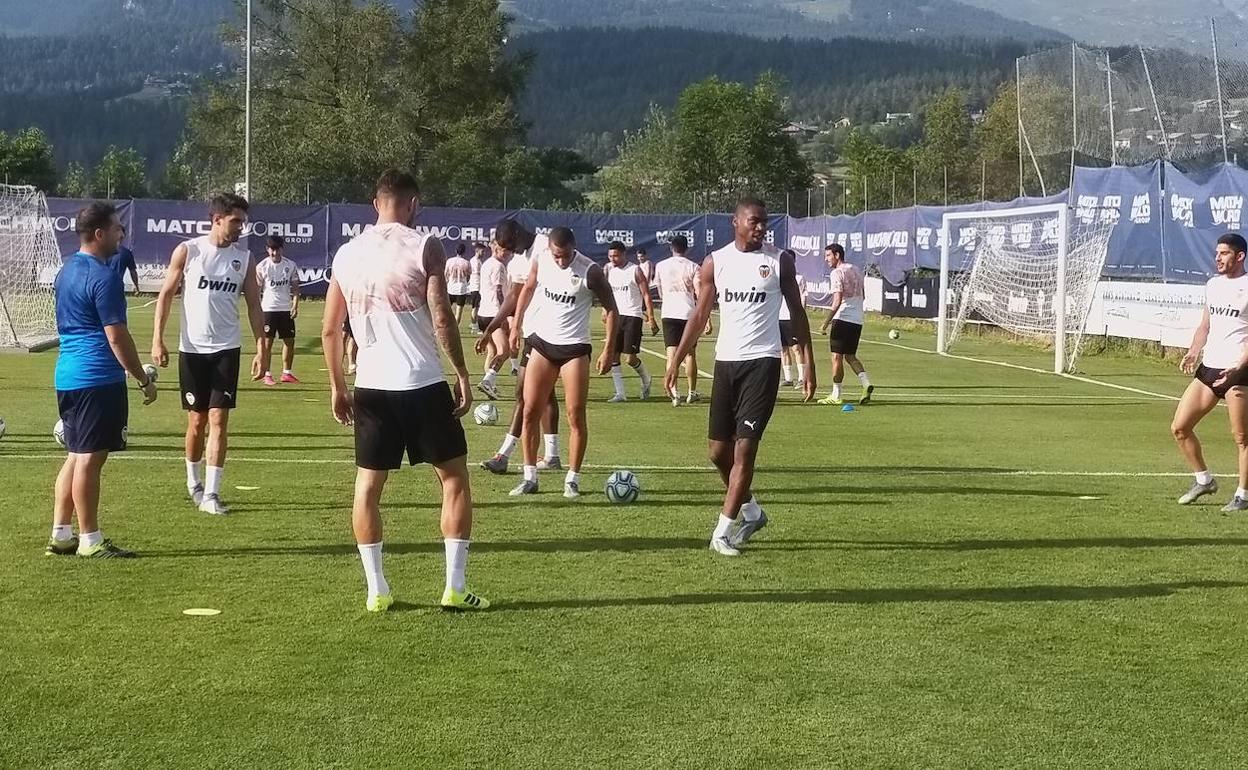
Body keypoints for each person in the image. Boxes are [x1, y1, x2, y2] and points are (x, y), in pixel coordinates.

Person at [322, 169, 487, 613]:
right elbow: (441, 315)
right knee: (453, 480)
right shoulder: (424, 245)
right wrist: (464, 374)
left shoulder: (347, 253)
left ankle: (377, 589)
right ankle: (454, 586)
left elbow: (329, 329)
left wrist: (339, 387)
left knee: (367, 489)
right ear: (414, 204)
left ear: (376, 203)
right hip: (421, 382)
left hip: (371, 388)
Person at [665, 197, 815, 556]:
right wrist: (676, 361)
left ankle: (722, 532)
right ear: (736, 222)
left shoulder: (779, 262)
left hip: (763, 364)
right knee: (719, 452)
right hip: (725, 363)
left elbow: (797, 313)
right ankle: (752, 511)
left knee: (745, 450)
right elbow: (700, 315)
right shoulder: (716, 262)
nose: (761, 227)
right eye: (754, 221)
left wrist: (809, 364)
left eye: (764, 222)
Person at [48, 202, 157, 558]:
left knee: (76, 456)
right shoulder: (103, 275)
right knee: (90, 459)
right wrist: (142, 378)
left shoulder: (66, 271)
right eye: (116, 229)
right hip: (96, 377)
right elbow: (116, 336)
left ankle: (61, 533)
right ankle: (90, 540)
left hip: (67, 375)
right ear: (99, 234)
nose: (121, 234)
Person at [152, 193, 266, 516]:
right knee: (197, 422)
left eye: (243, 223)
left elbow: (254, 305)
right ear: (217, 219)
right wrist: (158, 339)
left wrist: (261, 346)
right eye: (235, 222)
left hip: (226, 350)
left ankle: (213, 494)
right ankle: (193, 482)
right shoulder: (189, 252)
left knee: (218, 419)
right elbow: (165, 296)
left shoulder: (244, 260)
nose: (240, 229)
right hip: (192, 350)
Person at [507, 226, 618, 497]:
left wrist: (608, 350)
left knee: (575, 415)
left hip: (575, 350)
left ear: (573, 248)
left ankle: (572, 479)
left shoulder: (590, 271)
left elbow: (613, 309)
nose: (561, 261)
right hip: (543, 345)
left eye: (565, 255)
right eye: (557, 255)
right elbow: (528, 288)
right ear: (550, 251)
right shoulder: (541, 260)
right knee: (530, 410)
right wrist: (515, 326)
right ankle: (530, 477)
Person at [478, 219, 563, 475]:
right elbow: (514, 297)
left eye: (510, 245)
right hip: (533, 332)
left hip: (552, 332)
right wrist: (492, 327)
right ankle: (552, 455)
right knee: (544, 394)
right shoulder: (516, 261)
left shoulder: (546, 246)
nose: (510, 251)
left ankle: (504, 455)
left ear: (517, 233)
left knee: (523, 393)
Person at [1172, 233, 1248, 512]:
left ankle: (1243, 495)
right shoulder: (1213, 285)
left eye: (1225, 253)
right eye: (1217, 253)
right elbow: (1205, 325)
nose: (1218, 258)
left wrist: (1239, 367)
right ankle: (1204, 480)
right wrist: (1194, 350)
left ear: (1239, 256)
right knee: (1180, 428)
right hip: (1210, 367)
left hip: (1239, 371)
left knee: (1242, 437)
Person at [817, 243, 873, 405]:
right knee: (850, 356)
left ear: (837, 255)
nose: (826, 259)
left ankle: (836, 394)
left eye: (828, 255)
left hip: (843, 318)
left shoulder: (837, 273)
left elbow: (837, 301)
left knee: (836, 357)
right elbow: (863, 295)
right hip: (857, 319)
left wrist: (825, 323)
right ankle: (866, 383)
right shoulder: (856, 270)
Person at [604, 240, 658, 402]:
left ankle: (646, 379)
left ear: (623, 254)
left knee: (630, 358)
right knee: (614, 355)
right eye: (610, 256)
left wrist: (651, 317)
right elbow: (608, 293)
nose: (613, 259)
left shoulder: (635, 270)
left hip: (633, 316)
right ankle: (620, 393)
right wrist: (604, 311)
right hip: (615, 316)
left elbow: (646, 294)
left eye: (616, 256)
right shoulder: (609, 271)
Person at [656, 235, 704, 406]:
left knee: (671, 354)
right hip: (688, 313)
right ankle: (692, 392)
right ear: (687, 248)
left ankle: (675, 393)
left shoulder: (661, 266)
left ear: (671, 248)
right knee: (690, 354)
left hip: (669, 311)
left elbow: (660, 290)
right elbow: (698, 292)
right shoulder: (694, 267)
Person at [255, 235, 301, 386]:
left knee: (289, 341)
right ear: (267, 250)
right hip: (268, 309)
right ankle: (267, 374)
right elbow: (256, 290)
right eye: (272, 250)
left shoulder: (291, 265)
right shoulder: (262, 266)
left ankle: (286, 373)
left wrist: (295, 305)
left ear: (282, 249)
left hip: (285, 309)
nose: (274, 253)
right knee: (267, 343)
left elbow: (295, 288)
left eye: (277, 250)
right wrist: (257, 309)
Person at [476, 240, 510, 399]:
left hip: (483, 313)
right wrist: (503, 314)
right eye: (505, 250)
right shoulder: (498, 266)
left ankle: (490, 385)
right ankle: (487, 381)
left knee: (492, 351)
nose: (508, 253)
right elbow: (498, 291)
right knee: (505, 351)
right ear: (497, 249)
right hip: (494, 314)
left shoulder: (486, 263)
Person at [779, 257, 808, 388]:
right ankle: (788, 378)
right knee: (783, 349)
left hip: (792, 318)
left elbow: (803, 297)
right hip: (778, 318)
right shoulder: (777, 278)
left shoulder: (799, 278)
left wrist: (799, 316)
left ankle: (802, 378)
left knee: (796, 348)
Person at [446, 243, 473, 325]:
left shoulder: (449, 261)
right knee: (458, 312)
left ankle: (446, 327)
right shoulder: (466, 263)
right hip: (461, 289)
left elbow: (446, 274)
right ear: (464, 252)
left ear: (455, 251)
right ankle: (455, 329)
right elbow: (468, 276)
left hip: (450, 288)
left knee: (446, 310)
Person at [108, 225, 140, 294]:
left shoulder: (102, 250)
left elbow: (133, 271)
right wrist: (136, 286)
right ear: (123, 236)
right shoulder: (126, 253)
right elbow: (133, 271)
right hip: (116, 287)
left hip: (102, 286)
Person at [468, 242, 485, 328]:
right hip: (475, 286)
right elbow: (475, 273)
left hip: (478, 286)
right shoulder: (474, 261)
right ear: (477, 251)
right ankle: (474, 324)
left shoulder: (479, 261)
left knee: (476, 306)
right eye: (482, 251)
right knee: (475, 306)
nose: (483, 253)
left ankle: (474, 323)